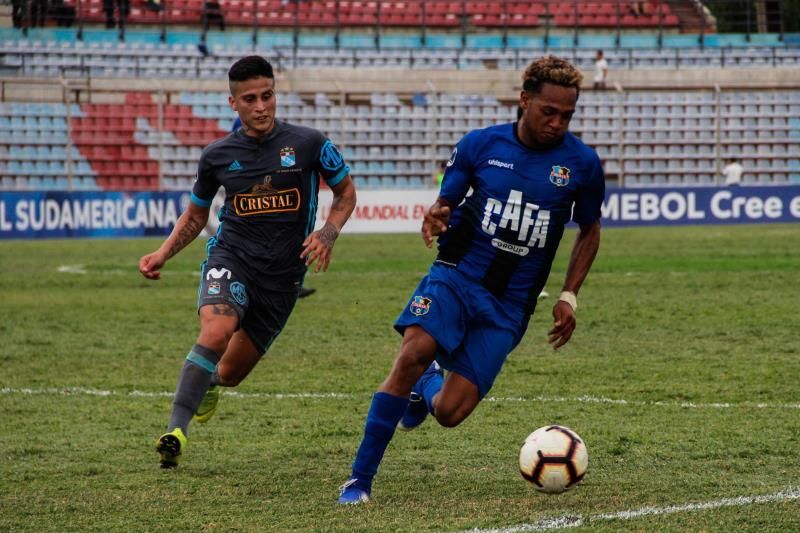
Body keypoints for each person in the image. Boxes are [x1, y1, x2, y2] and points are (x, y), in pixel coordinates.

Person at [337, 55, 604, 504]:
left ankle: (429, 387)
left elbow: (590, 230)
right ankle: (359, 480)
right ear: (524, 100)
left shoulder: (582, 164)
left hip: (510, 306)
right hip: (457, 275)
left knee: (450, 413)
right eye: (549, 112)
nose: (558, 123)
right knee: (413, 353)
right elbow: (446, 201)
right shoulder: (481, 145)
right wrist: (437, 215)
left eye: (567, 115)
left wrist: (569, 295)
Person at [140, 56, 356, 469]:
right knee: (216, 329)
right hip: (232, 258)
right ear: (233, 103)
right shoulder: (216, 156)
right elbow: (197, 215)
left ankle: (209, 382)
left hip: (282, 279)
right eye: (250, 99)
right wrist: (162, 252)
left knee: (232, 372)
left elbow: (345, 193)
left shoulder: (311, 143)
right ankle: (176, 431)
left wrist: (328, 232)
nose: (261, 107)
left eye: (268, 96)